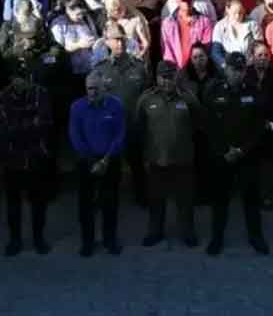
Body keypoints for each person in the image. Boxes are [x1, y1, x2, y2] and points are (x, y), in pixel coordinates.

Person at [201, 52, 269, 255]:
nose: (237, 74)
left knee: (251, 199)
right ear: (226, 69)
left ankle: (256, 237)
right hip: (222, 156)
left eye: (240, 70)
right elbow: (208, 126)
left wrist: (242, 150)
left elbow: (259, 127)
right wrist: (224, 150)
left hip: (246, 156)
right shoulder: (214, 91)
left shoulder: (253, 91)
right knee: (220, 200)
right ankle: (217, 238)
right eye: (233, 69)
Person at [137, 60, 201, 248]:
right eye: (163, 77)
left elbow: (198, 123)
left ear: (176, 77)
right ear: (157, 78)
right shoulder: (146, 99)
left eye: (170, 77)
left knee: (185, 201)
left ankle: (187, 233)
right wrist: (146, 155)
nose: (167, 81)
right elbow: (140, 127)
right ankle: (154, 232)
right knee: (156, 200)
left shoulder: (188, 98)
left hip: (183, 160)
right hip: (157, 159)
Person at [69, 69, 125, 256]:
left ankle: (110, 239)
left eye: (96, 88)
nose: (92, 92)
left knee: (110, 203)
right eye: (89, 88)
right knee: (85, 205)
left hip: (110, 161)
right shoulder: (77, 107)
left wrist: (105, 160)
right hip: (86, 161)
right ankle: (87, 242)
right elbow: (75, 136)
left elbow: (120, 134)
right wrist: (92, 161)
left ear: (104, 88)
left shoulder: (116, 105)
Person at [0, 73, 53, 256]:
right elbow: (3, 128)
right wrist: (30, 123)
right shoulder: (2, 97)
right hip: (12, 158)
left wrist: (18, 124)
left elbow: (45, 123)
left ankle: (39, 239)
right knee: (13, 203)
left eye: (24, 77)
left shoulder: (41, 94)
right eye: (16, 77)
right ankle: (15, 240)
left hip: (36, 156)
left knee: (39, 202)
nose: (20, 81)